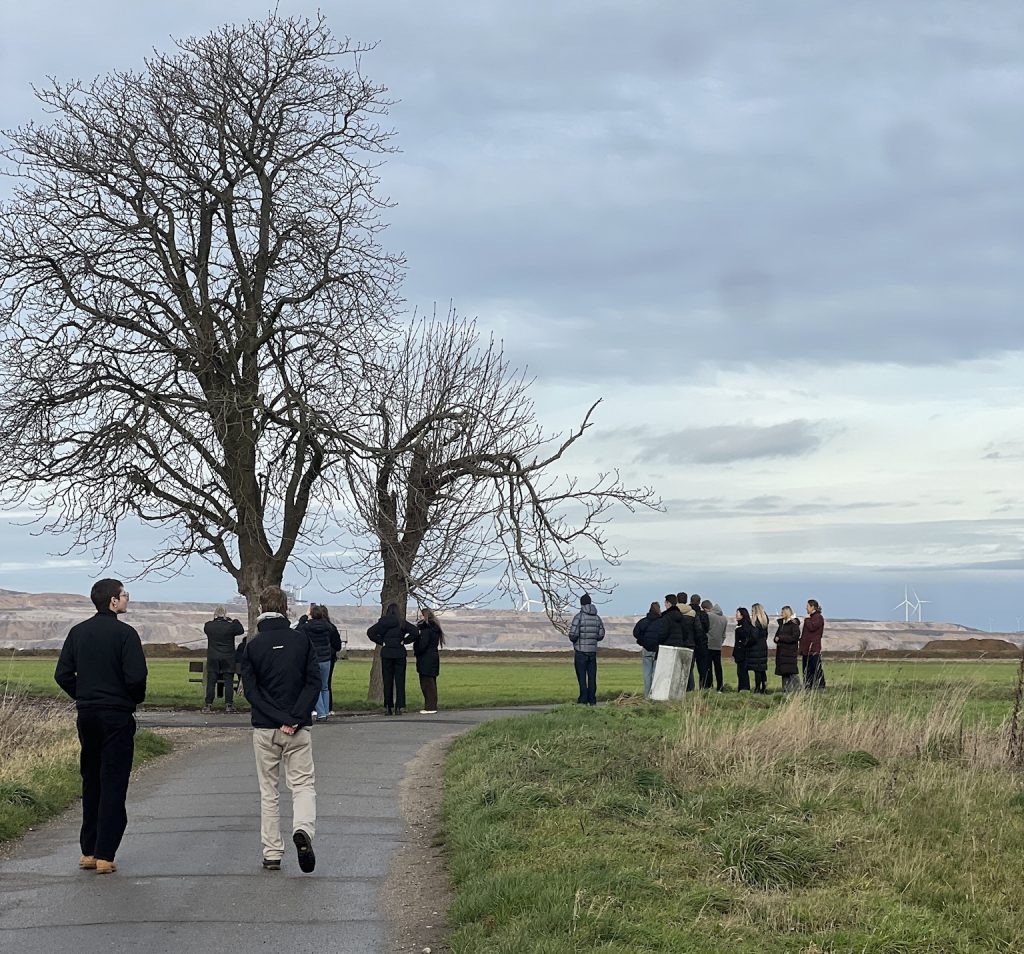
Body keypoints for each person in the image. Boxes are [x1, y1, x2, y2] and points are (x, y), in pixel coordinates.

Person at [54, 579, 148, 874]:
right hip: (116, 715)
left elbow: (62, 674)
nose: (126, 599)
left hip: (87, 714)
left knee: (91, 778)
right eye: (124, 595)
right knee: (113, 780)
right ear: (112, 601)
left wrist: (84, 694)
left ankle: (88, 850)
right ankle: (106, 854)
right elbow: (136, 677)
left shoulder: (78, 632)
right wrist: (129, 699)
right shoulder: (126, 634)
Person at [240, 585, 321, 873]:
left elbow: (251, 691)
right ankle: (302, 830)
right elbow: (314, 682)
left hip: (265, 727)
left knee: (269, 791)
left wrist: (277, 717)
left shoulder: (253, 646)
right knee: (302, 785)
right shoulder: (302, 642)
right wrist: (295, 717)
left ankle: (272, 852)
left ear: (261, 609)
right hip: (297, 728)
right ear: (286, 607)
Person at [367, 603, 418, 715]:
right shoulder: (401, 622)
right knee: (400, 681)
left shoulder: (383, 623)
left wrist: (382, 641)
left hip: (387, 653)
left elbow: (370, 633)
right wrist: (405, 641)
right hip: (399, 652)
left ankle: (388, 707)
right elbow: (415, 631)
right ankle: (399, 707)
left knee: (387, 681)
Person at [297, 605, 337, 721]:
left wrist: (304, 616)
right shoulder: (327, 626)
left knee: (315, 685)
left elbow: (298, 630)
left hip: (314, 659)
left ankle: (321, 712)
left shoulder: (307, 627)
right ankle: (326, 710)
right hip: (326, 658)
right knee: (325, 687)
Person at [202, 606, 244, 713]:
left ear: (215, 614)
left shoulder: (209, 626)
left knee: (211, 682)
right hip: (228, 657)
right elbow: (241, 630)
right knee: (228, 682)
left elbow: (206, 628)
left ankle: (208, 705)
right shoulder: (230, 627)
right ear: (225, 614)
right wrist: (234, 620)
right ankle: (228, 705)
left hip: (213, 657)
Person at [568, 593, 605, 705]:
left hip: (580, 652)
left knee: (582, 677)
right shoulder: (597, 618)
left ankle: (583, 699)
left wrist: (575, 640)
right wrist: (592, 640)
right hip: (592, 652)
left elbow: (573, 634)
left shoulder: (579, 617)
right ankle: (592, 699)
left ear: (581, 603)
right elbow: (601, 634)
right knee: (592, 677)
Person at [414, 607, 445, 713]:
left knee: (427, 683)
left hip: (425, 659)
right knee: (432, 682)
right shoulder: (435, 628)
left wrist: (416, 649)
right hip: (433, 657)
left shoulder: (426, 630)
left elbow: (422, 646)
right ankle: (432, 705)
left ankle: (430, 707)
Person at [632, 602, 663, 698]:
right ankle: (655, 696)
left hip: (646, 649)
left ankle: (647, 696)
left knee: (647, 674)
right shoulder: (662, 622)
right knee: (656, 675)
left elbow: (635, 633)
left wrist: (642, 642)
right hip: (658, 650)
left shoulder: (643, 621)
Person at [321, 606, 343, 714]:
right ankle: (328, 708)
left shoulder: (309, 627)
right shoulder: (331, 627)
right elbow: (338, 645)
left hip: (315, 657)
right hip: (329, 657)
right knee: (327, 683)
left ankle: (316, 708)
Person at [774, 605, 802, 692]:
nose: (781, 614)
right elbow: (777, 635)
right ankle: (786, 690)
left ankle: (798, 689)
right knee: (784, 672)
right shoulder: (782, 624)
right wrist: (776, 639)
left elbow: (794, 638)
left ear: (787, 612)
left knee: (792, 672)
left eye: (782, 612)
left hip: (790, 652)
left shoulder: (794, 625)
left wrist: (781, 638)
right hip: (781, 652)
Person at [801, 599, 826, 689]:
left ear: (812, 607)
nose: (806, 608)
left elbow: (812, 627)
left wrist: (806, 620)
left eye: (807, 606)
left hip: (813, 649)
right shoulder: (812, 617)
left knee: (816, 669)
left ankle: (820, 685)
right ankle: (808, 685)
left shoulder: (818, 617)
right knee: (807, 669)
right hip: (807, 649)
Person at [703, 600, 727, 692]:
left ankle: (709, 686)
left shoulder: (709, 616)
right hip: (718, 646)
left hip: (709, 645)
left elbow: (706, 629)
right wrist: (720, 642)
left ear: (705, 609)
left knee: (708, 667)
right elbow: (724, 634)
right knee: (718, 668)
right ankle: (720, 687)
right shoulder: (724, 618)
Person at [749, 603, 771, 693]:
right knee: (762, 669)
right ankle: (764, 687)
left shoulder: (755, 622)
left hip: (756, 647)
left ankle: (757, 688)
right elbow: (766, 634)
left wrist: (748, 643)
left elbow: (754, 636)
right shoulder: (764, 621)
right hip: (763, 645)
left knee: (757, 669)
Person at [733, 607, 754, 691]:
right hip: (739, 650)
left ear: (742, 615)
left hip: (743, 651)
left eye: (737, 613)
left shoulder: (745, 624)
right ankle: (742, 687)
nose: (736, 615)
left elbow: (745, 636)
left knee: (742, 671)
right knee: (740, 671)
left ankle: (744, 688)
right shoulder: (740, 624)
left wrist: (738, 630)